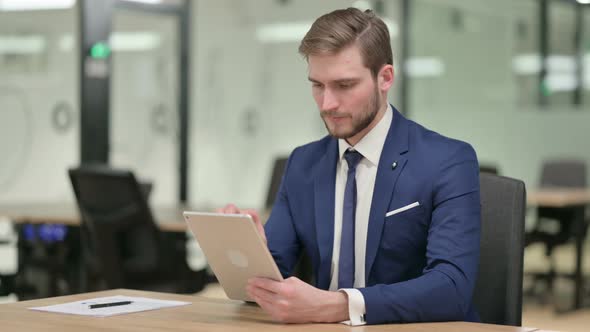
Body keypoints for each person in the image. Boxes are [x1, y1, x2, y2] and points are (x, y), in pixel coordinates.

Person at [218, 7, 480, 325]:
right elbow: (273, 280)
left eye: (344, 86)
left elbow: (451, 288)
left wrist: (339, 306)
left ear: (385, 78)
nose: (327, 104)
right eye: (317, 85)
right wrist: (251, 259)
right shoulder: (303, 163)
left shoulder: (447, 161)